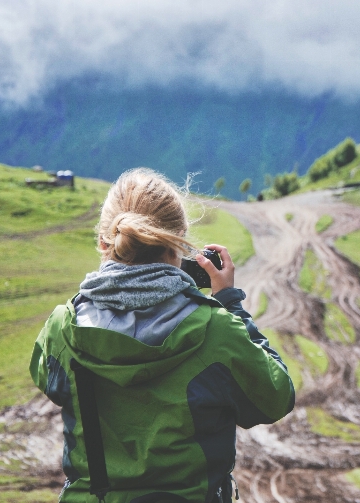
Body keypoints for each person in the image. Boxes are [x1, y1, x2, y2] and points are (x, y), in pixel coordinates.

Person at [30, 168, 294, 503]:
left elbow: (49, 381)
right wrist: (230, 304)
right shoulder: (216, 329)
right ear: (179, 245)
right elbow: (275, 398)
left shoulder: (62, 328)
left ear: (104, 242)